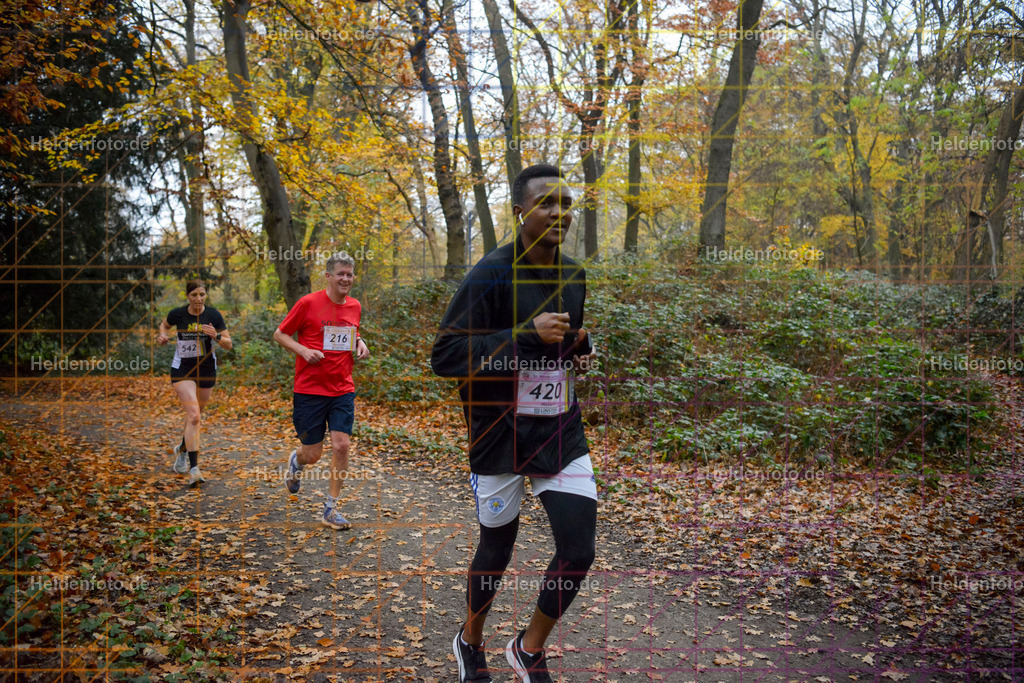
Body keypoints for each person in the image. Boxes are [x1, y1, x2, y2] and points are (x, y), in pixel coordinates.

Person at [432, 164, 600, 683]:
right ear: (520, 210)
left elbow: (557, 346)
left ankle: (528, 649)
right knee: (497, 548)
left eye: (566, 203)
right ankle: (471, 640)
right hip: (498, 432)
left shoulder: (573, 275)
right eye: (547, 202)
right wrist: (526, 335)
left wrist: (577, 347)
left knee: (578, 549)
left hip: (557, 427)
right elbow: (446, 355)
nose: (559, 213)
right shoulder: (490, 273)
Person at [273, 252, 369, 530]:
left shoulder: (355, 306)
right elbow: (280, 334)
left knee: (342, 445)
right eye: (340, 273)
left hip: (342, 389)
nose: (345, 279)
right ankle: (297, 461)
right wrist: (303, 351)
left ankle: (330, 509)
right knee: (312, 453)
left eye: (349, 274)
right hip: (310, 390)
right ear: (328, 276)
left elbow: (351, 329)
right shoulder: (307, 303)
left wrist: (360, 341)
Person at [156, 279, 233, 488]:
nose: (198, 299)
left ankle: (181, 449)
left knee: (195, 419)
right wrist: (162, 336)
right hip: (182, 369)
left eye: (202, 295)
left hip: (206, 370)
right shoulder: (178, 314)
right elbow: (164, 325)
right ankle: (194, 469)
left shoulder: (213, 315)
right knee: (194, 415)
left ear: (206, 295)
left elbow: (228, 344)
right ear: (187, 296)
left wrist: (215, 335)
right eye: (194, 295)